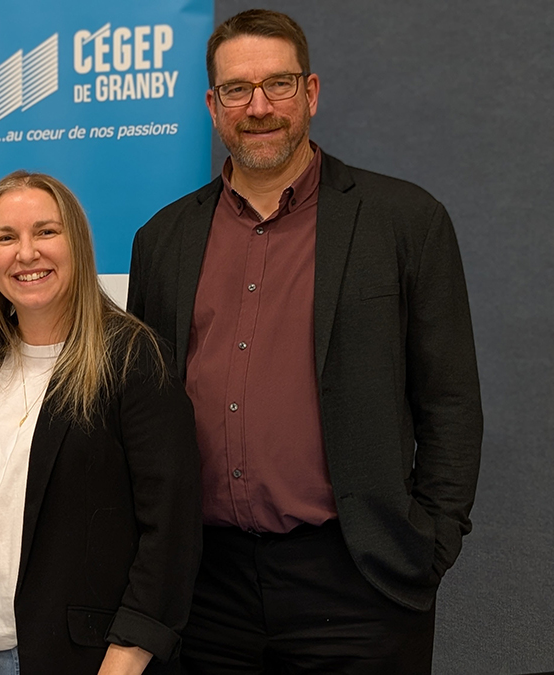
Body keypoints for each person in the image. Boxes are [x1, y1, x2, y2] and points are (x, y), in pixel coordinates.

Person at [126, 9, 482, 674]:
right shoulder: (163, 240)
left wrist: (431, 542)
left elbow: (451, 403)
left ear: (311, 92)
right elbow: (142, 416)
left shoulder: (404, 221)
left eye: (278, 84)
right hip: (204, 590)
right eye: (237, 89)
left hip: (358, 582)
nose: (258, 107)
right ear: (212, 105)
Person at [0, 170, 201, 675]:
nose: (26, 253)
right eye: (5, 237)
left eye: (45, 231)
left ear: (78, 245)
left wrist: (122, 664)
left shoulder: (134, 359)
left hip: (93, 662)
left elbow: (171, 532)